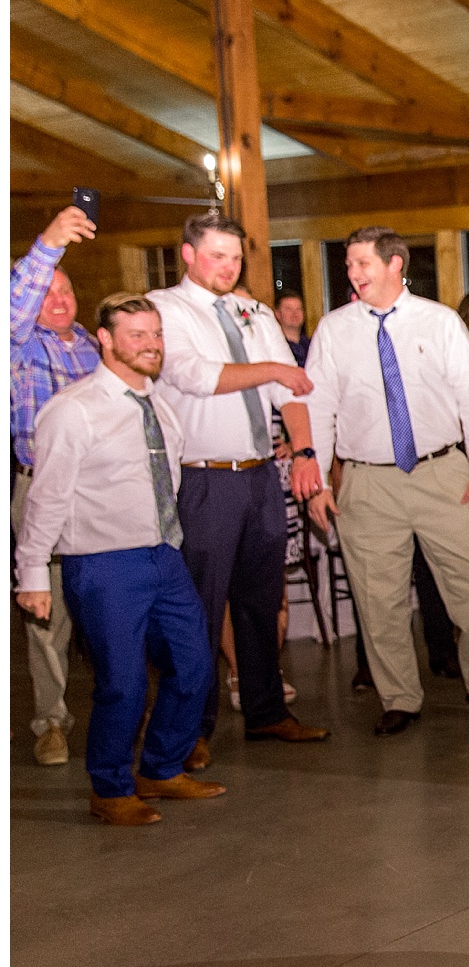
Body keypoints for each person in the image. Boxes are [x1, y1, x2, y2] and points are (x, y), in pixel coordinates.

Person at [15, 293, 224, 825]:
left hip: (164, 558)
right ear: (105, 340)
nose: (152, 345)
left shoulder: (160, 406)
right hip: (105, 567)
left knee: (195, 666)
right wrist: (33, 574)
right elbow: (47, 497)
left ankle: (159, 768)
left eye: (156, 335)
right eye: (138, 335)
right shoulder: (72, 409)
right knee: (123, 683)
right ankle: (109, 788)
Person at [306, 226, 469, 735]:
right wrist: (319, 478)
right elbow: (319, 407)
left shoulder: (439, 322)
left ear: (395, 264)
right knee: (379, 600)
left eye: (362, 263)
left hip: (444, 473)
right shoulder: (333, 329)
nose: (353, 273)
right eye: (349, 264)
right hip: (366, 482)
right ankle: (398, 697)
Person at [149, 212, 329, 772]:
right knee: (198, 607)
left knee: (260, 598)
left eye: (235, 257)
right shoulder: (163, 309)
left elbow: (291, 393)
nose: (228, 266)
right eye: (216, 255)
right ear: (188, 254)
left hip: (259, 475)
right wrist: (276, 365)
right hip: (202, 477)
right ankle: (189, 730)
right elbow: (199, 376)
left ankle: (266, 710)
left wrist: (303, 453)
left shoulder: (255, 312)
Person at [10, 203, 100, 767]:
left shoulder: (97, 346)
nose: (58, 299)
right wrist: (48, 244)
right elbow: (12, 308)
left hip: (100, 497)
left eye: (65, 290)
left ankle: (129, 714)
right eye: (47, 290)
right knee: (47, 613)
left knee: (114, 604)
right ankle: (52, 722)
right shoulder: (16, 348)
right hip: (40, 491)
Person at [274, 289, 310, 366]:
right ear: (277, 314)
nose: (295, 314)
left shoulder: (313, 345)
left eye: (298, 309)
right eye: (288, 309)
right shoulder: (275, 346)